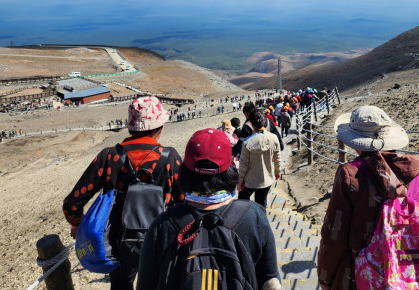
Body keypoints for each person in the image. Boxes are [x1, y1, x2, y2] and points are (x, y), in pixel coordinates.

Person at [63, 96, 184, 290]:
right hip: (161, 239)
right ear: (160, 128)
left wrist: (78, 224)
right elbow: (184, 202)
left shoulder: (109, 156)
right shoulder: (170, 158)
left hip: (118, 243)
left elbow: (72, 204)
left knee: (121, 284)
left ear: (130, 127)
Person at [137, 128, 282, 290]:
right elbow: (271, 283)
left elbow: (145, 285)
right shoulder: (254, 216)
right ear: (230, 169)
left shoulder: (162, 225)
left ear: (185, 171)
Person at [317, 106, 419, 290]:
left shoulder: (350, 175)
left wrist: (326, 278)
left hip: (361, 276)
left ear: (355, 142)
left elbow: (334, 236)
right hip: (409, 275)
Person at [237, 109, 281, 208]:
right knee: (261, 204)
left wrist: (239, 182)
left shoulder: (247, 142)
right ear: (264, 121)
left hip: (249, 181)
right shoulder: (274, 138)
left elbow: (243, 165)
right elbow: (277, 157)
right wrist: (277, 171)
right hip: (266, 179)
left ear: (251, 124)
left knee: (242, 203)